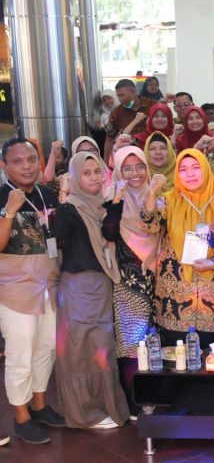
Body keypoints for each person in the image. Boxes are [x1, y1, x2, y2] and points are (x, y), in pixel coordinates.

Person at [54, 152, 129, 429]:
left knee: (101, 349)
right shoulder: (72, 206)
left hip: (101, 284)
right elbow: (59, 230)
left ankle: (103, 406)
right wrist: (63, 194)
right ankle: (85, 413)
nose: (94, 177)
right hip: (78, 286)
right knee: (80, 350)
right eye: (86, 173)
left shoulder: (103, 204)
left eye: (97, 171)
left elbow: (111, 234)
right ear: (74, 176)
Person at [0, 139, 64, 445]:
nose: (26, 166)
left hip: (48, 286)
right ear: (4, 166)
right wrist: (9, 212)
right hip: (15, 291)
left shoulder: (45, 192)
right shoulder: (1, 197)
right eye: (17, 161)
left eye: (30, 160)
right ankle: (22, 417)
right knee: (20, 355)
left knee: (46, 349)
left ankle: (39, 405)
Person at [141, 149, 214, 346]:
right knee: (176, 360)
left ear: (206, 169)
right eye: (183, 169)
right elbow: (150, 225)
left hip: (213, 298)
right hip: (175, 297)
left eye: (196, 167)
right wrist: (151, 191)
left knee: (213, 362)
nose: (190, 174)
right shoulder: (168, 199)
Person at [101, 146, 158, 417]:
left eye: (139, 167)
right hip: (128, 284)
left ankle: (159, 397)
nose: (135, 173)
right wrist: (117, 202)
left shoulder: (158, 198)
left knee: (158, 344)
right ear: (118, 171)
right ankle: (136, 405)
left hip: (160, 283)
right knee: (131, 347)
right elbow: (109, 233)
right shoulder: (113, 198)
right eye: (127, 168)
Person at [105, 78, 156, 161]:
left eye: (122, 95)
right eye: (118, 96)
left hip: (152, 156)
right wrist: (107, 163)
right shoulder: (116, 112)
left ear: (133, 91)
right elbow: (109, 139)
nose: (120, 99)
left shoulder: (151, 105)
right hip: (127, 158)